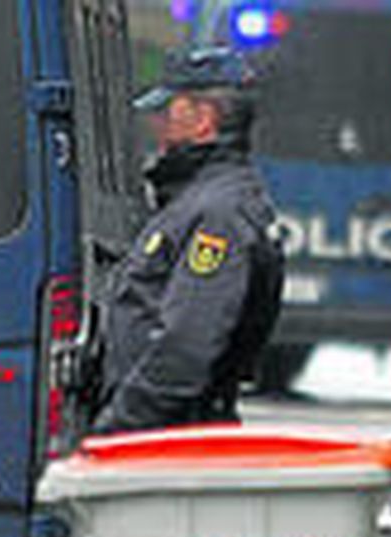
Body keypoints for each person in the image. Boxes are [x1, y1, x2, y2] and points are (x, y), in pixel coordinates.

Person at [89, 47, 284, 435]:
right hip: (167, 430)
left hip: (168, 436)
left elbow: (185, 345)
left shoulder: (217, 215)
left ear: (203, 120)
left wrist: (118, 429)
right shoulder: (198, 202)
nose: (157, 125)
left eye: (168, 111)